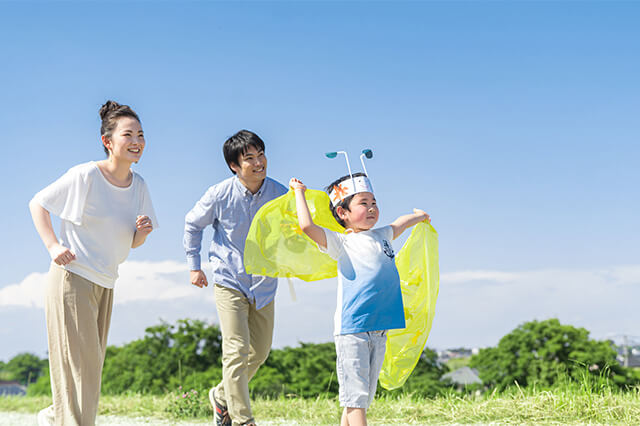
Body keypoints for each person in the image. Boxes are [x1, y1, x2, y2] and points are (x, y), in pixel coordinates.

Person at [29, 100, 157, 426]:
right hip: (72, 278)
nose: (137, 141)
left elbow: (132, 241)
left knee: (90, 365)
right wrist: (53, 245)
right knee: (81, 365)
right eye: (128, 134)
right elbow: (38, 204)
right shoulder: (86, 175)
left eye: (140, 134)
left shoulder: (138, 185)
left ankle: (54, 416)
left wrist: (140, 233)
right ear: (108, 141)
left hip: (106, 281)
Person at [289, 173, 429, 426]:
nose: (372, 207)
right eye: (363, 203)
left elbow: (401, 223)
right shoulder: (341, 242)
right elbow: (308, 227)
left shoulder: (382, 235)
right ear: (343, 213)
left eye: (374, 202)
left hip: (380, 328)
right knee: (355, 400)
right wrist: (299, 192)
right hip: (353, 329)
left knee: (362, 397)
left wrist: (420, 217)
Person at [183, 130, 286, 426]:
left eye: (261, 155)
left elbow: (296, 230)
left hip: (265, 283)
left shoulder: (280, 194)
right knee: (237, 349)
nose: (258, 163)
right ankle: (242, 420)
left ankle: (221, 395)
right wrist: (194, 265)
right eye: (249, 159)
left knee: (260, 351)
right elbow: (192, 225)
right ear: (234, 166)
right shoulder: (219, 194)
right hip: (229, 279)